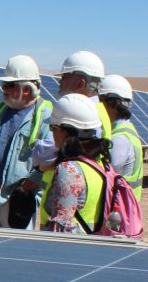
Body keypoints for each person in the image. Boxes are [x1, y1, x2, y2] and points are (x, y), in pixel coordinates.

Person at [0, 54, 51, 228]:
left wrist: (30, 182)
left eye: (9, 84)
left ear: (27, 89)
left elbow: (53, 153)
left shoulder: (45, 115)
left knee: (15, 248)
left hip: (17, 198)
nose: (3, 89)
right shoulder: (0, 109)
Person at [40, 93, 111, 233]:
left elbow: (61, 229)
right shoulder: (101, 163)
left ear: (66, 133)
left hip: (69, 250)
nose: (52, 133)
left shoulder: (69, 170)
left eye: (53, 128)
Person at [31, 51, 113, 169]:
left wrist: (34, 149)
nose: (60, 82)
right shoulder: (99, 109)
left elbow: (43, 152)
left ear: (80, 83)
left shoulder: (80, 113)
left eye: (64, 77)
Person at [99, 74, 144, 194]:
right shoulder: (127, 129)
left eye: (100, 101)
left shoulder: (119, 139)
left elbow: (106, 175)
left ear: (112, 104)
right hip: (125, 205)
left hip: (119, 206)